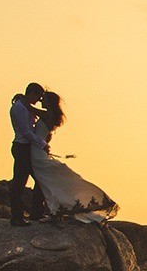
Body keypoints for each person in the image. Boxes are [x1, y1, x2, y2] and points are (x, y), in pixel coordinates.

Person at [27, 91, 119, 221]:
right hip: (38, 150)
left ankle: (44, 211)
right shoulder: (50, 115)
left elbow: (29, 107)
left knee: (44, 181)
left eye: (44, 99)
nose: (41, 100)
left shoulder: (48, 114)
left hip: (37, 153)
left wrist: (21, 98)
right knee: (44, 182)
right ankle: (44, 210)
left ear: (49, 102)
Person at [7, 82, 46, 225]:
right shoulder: (20, 107)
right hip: (21, 147)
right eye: (38, 96)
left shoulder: (25, 106)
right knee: (19, 182)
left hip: (26, 147)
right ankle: (16, 217)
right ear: (32, 93)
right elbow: (25, 131)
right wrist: (42, 144)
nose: (39, 101)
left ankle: (36, 213)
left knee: (40, 179)